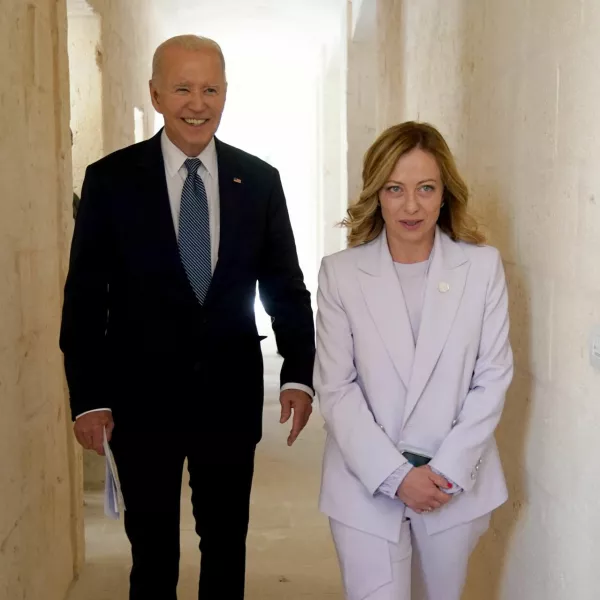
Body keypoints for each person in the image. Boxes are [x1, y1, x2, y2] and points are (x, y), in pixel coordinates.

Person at [60, 35, 315, 600]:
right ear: (155, 94)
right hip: (140, 400)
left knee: (226, 546)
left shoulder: (260, 181)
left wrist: (298, 371)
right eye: (182, 88)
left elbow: (284, 285)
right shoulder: (110, 181)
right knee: (152, 553)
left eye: (210, 89)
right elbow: (84, 299)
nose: (197, 103)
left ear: (225, 95)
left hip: (229, 396)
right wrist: (89, 396)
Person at [314, 121, 513, 600]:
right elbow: (337, 389)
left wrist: (442, 471)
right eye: (395, 189)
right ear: (376, 194)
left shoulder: (481, 268)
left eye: (426, 188)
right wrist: (396, 476)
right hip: (364, 485)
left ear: (445, 193)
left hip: (453, 484)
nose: (411, 205)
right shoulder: (340, 274)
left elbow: (492, 377)